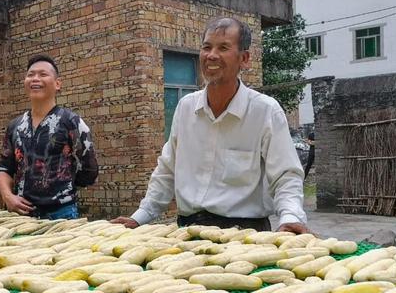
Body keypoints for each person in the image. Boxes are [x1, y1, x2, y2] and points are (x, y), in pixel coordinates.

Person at [112, 17, 308, 233]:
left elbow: (286, 176)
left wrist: (290, 217)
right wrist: (139, 217)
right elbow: (167, 170)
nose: (211, 55)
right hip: (187, 232)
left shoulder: (265, 111)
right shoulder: (186, 108)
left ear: (244, 59)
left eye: (223, 47)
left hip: (245, 235)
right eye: (207, 47)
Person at [0, 54, 98, 220]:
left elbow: (89, 170)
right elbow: (4, 169)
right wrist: (8, 197)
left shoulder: (71, 122)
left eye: (43, 74)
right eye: (31, 75)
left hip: (61, 215)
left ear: (58, 84)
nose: (35, 79)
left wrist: (61, 187)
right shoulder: (15, 126)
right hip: (22, 215)